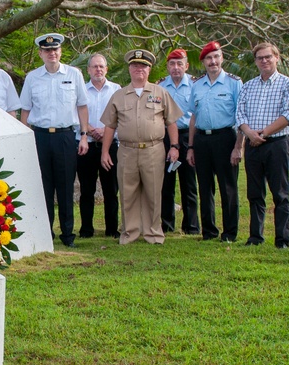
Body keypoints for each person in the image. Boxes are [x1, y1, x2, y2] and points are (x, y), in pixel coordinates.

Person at [100, 49, 182, 244]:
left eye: (143, 66)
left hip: (154, 150)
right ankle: (130, 232)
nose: (139, 69)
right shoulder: (118, 96)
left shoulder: (160, 92)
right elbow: (110, 126)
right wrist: (105, 151)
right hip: (127, 150)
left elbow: (171, 122)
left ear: (149, 69)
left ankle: (153, 233)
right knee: (127, 193)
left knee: (154, 192)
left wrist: (175, 146)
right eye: (135, 65)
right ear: (129, 68)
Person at [19, 33, 89, 247]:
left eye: (55, 50)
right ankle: (44, 233)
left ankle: (67, 235)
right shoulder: (32, 77)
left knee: (66, 187)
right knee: (43, 188)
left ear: (60, 52)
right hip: (39, 137)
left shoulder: (74, 74)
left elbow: (82, 106)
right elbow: (25, 111)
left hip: (66, 136)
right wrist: (25, 138)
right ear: (41, 53)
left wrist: (84, 135)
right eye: (47, 50)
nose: (52, 53)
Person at [235, 43, 289, 248]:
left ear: (277, 58)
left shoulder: (288, 84)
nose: (264, 61)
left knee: (279, 193)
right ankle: (255, 236)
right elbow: (240, 115)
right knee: (254, 193)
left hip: (277, 143)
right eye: (260, 58)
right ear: (255, 61)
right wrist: (249, 133)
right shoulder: (248, 86)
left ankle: (282, 239)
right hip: (253, 144)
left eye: (268, 57)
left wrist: (264, 132)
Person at [186, 41, 243, 242]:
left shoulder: (234, 83)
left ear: (222, 58)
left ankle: (229, 232)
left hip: (225, 138)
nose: (213, 61)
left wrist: (238, 146)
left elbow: (241, 116)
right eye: (208, 58)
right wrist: (191, 147)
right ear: (203, 62)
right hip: (202, 139)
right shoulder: (197, 85)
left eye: (216, 57)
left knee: (228, 188)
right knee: (204, 186)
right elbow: (193, 116)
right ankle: (209, 231)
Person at [77, 54, 121, 238]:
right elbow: (75, 115)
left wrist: (106, 130)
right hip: (86, 145)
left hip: (110, 145)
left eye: (101, 66)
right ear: (88, 70)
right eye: (94, 67)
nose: (98, 70)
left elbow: (121, 117)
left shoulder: (117, 90)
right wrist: (89, 129)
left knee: (111, 189)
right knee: (87, 190)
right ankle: (86, 229)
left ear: (107, 69)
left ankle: (112, 229)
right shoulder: (81, 90)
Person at [159, 49, 200, 235]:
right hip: (165, 138)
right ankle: (167, 225)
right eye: (172, 64)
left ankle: (191, 226)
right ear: (167, 66)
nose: (176, 68)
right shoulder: (160, 86)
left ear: (186, 65)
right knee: (166, 183)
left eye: (179, 64)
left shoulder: (195, 85)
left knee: (189, 183)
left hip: (188, 137)